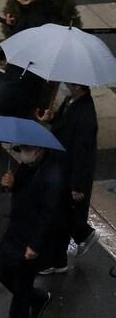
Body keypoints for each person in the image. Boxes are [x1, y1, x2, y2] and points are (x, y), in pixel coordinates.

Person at [0, 145, 67, 318]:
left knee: (22, 281)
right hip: (16, 230)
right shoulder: (28, 166)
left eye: (25, 149)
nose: (20, 153)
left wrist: (35, 245)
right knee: (2, 271)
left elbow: (48, 215)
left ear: (39, 150)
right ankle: (37, 298)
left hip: (31, 238)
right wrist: (9, 185)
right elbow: (21, 193)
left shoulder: (51, 176)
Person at [42, 84, 99, 274]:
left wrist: (77, 186)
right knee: (60, 216)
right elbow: (61, 125)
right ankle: (59, 258)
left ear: (79, 87)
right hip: (61, 168)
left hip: (69, 173)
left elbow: (83, 155)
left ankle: (55, 259)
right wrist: (51, 120)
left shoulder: (85, 116)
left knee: (59, 218)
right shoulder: (71, 102)